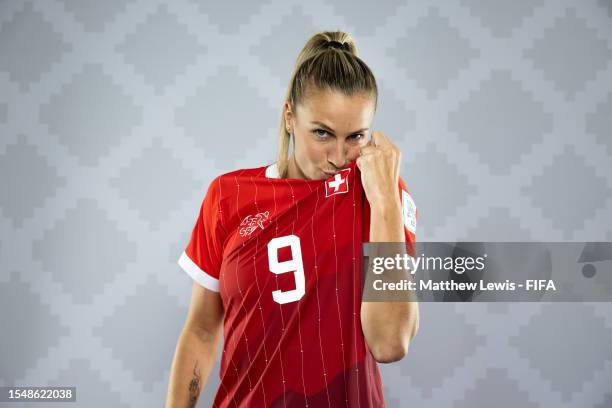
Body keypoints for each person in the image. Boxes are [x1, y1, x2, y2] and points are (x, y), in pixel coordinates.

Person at [165, 31, 419, 408]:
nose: (338, 156)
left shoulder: (380, 195)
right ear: (289, 117)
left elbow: (389, 342)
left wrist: (384, 202)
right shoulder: (228, 195)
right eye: (322, 133)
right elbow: (202, 330)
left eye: (355, 137)